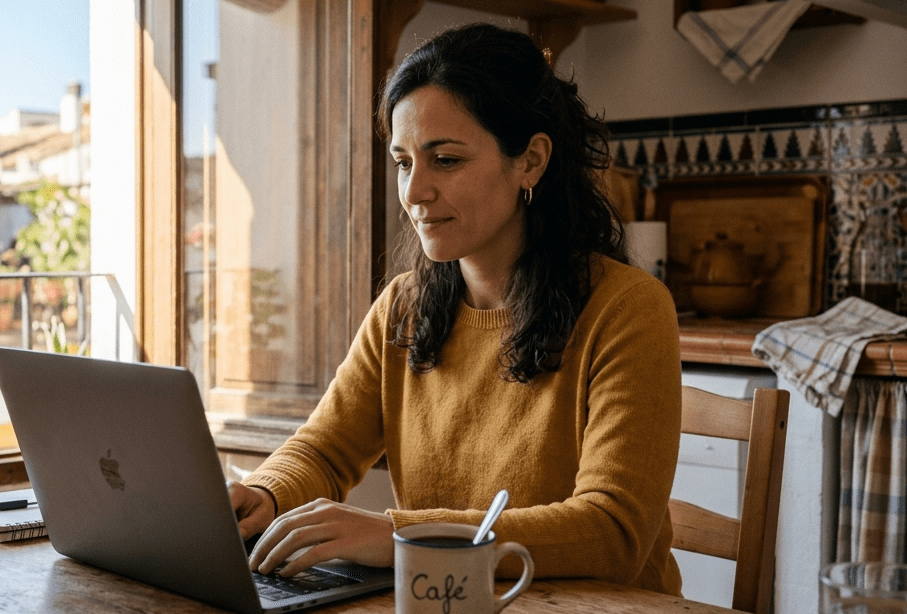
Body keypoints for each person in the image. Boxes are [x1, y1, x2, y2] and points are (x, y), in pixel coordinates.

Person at [228, 22, 683, 596]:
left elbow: (612, 531)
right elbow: (323, 448)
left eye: (444, 159)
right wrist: (263, 495)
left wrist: (398, 536)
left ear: (531, 161)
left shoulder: (628, 310)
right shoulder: (403, 308)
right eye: (402, 162)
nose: (415, 191)